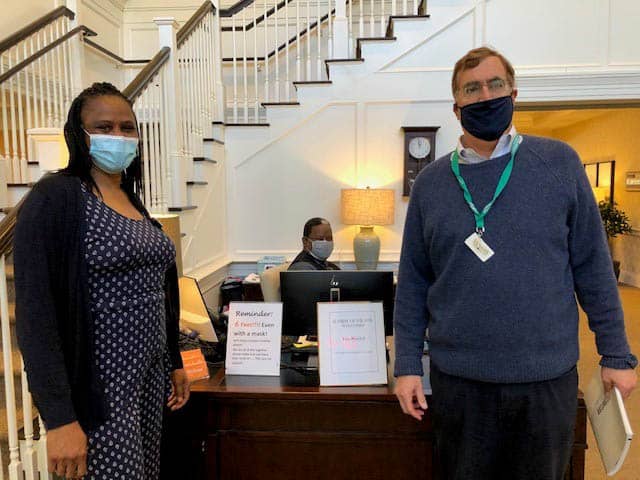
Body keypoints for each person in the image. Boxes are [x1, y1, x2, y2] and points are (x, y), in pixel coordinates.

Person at [393, 47, 637, 480]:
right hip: (460, 383)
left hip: (545, 381)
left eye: (495, 85)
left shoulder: (559, 163)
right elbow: (413, 282)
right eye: (472, 89)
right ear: (456, 107)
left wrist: (616, 352)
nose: (485, 95)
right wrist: (408, 365)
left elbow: (593, 267)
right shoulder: (431, 183)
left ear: (513, 93)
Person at [14, 82, 190, 480]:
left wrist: (175, 360)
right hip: (100, 390)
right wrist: (59, 420)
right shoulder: (56, 197)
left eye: (127, 127)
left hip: (149, 378)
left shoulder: (130, 196)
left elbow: (160, 288)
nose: (118, 136)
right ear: (79, 134)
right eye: (104, 126)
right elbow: (36, 317)